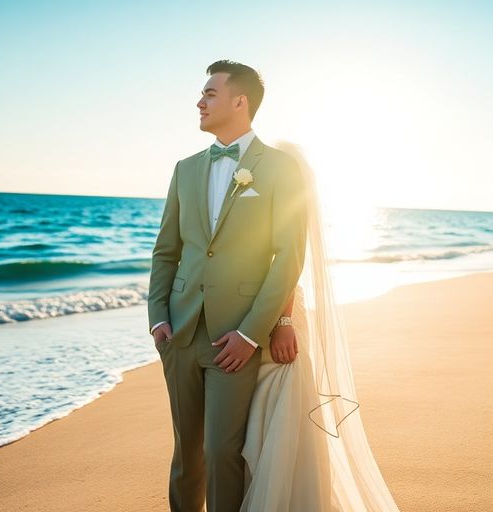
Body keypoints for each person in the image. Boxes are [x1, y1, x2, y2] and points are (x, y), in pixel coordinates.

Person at [148, 59, 308, 512]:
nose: (200, 102)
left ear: (240, 102)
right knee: (187, 454)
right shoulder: (185, 169)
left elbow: (288, 256)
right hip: (178, 332)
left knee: (222, 452)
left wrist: (254, 331)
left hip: (235, 336)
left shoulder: (279, 168)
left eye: (210, 93)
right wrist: (157, 317)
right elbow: (166, 250)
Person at [238, 140, 400, 511]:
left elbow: (287, 264)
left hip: (282, 317)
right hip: (262, 314)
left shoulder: (286, 205)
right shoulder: (265, 200)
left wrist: (283, 321)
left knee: (281, 409)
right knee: (261, 417)